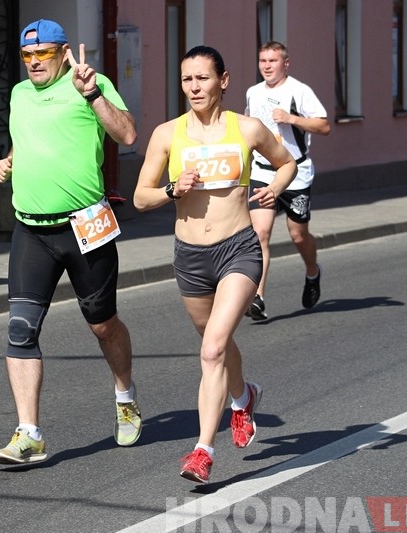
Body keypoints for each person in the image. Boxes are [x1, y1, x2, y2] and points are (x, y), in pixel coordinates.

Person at [133, 45, 296, 483]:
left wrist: (275, 187)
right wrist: (172, 189)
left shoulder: (248, 128)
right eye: (187, 79)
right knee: (215, 343)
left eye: (203, 78)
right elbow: (140, 197)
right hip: (190, 256)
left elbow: (286, 163)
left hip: (238, 248)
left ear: (223, 80)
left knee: (211, 350)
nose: (194, 87)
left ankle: (202, 451)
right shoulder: (167, 134)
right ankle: (244, 397)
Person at [0, 19, 140, 465]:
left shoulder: (91, 84)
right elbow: (27, 141)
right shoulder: (19, 94)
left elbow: (128, 134)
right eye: (27, 55)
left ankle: (125, 396)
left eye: (44, 54)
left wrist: (92, 94)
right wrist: (8, 161)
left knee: (103, 324)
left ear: (63, 53)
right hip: (31, 230)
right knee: (20, 328)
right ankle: (29, 433)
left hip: (84, 227)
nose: (34, 62)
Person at [244, 41, 330, 320]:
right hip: (263, 171)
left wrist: (291, 118)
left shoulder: (299, 90)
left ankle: (312, 272)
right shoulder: (253, 92)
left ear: (285, 63)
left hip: (295, 173)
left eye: (273, 61)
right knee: (260, 233)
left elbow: (324, 125)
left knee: (298, 235)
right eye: (263, 61)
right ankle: (257, 297)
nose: (267, 66)